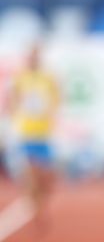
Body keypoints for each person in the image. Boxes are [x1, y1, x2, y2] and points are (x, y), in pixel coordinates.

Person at [5, 43, 60, 232]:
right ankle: (37, 213)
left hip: (44, 135)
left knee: (47, 181)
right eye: (32, 55)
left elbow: (56, 97)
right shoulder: (21, 78)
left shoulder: (48, 78)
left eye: (37, 55)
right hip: (27, 134)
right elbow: (11, 99)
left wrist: (51, 113)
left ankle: (40, 203)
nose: (34, 58)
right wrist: (14, 114)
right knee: (32, 177)